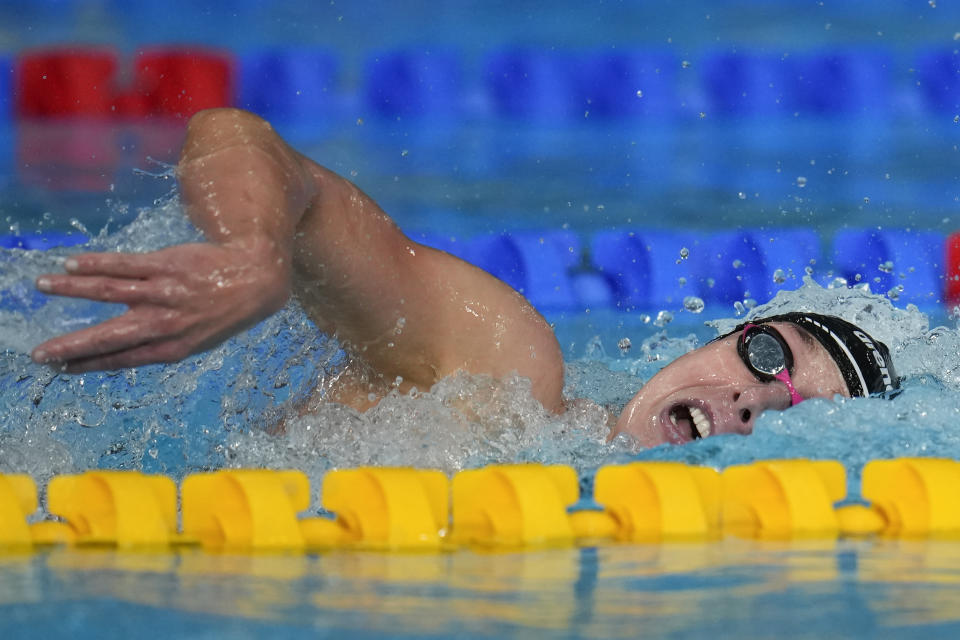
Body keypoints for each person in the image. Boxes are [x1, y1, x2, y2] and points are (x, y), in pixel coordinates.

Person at [28, 108, 899, 448]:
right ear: (712, 340)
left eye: (794, 417)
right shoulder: (501, 368)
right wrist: (252, 251)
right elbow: (238, 139)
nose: (752, 401)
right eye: (764, 357)